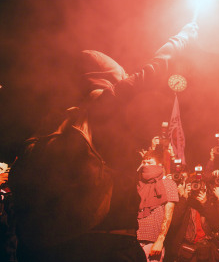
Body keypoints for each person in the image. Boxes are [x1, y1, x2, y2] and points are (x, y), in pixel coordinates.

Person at [14, 22, 198, 262]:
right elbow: (151, 71)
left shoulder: (57, 122)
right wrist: (183, 37)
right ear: (105, 79)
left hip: (52, 248)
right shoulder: (102, 105)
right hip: (104, 247)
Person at [137, 150, 179, 262]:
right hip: (134, 241)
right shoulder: (138, 184)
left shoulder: (169, 184)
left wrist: (160, 240)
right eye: (144, 163)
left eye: (150, 163)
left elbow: (168, 215)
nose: (146, 166)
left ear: (159, 165)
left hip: (153, 243)